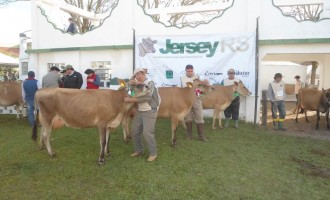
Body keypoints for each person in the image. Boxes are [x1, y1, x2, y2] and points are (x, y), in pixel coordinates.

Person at [124, 68, 161, 162]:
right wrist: (129, 85)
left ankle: (153, 153)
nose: (137, 77)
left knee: (147, 133)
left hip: (150, 110)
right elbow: (130, 94)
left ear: (143, 74)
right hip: (141, 110)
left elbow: (148, 97)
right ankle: (139, 150)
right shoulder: (137, 84)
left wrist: (131, 100)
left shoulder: (150, 83)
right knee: (134, 130)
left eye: (138, 74)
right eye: (135, 75)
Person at [180, 64, 208, 141]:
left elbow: (205, 84)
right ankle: (189, 135)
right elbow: (181, 90)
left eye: (191, 71)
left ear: (193, 70)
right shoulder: (182, 78)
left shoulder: (198, 77)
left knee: (200, 118)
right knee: (188, 119)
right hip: (186, 101)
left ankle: (201, 136)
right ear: (185, 71)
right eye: (188, 71)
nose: (190, 72)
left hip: (196, 99)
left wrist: (205, 82)